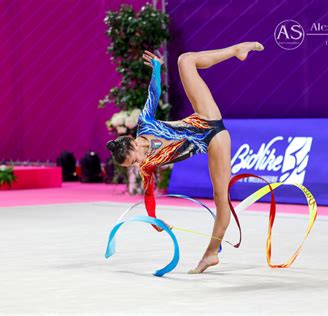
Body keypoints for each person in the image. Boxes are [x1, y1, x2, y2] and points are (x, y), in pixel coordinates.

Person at [106, 42, 264, 273]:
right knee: (221, 198)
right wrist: (154, 220)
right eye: (131, 165)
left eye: (134, 159)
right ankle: (211, 253)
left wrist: (157, 68)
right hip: (214, 140)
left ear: (132, 141)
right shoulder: (147, 167)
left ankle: (236, 50)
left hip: (204, 118)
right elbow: (149, 195)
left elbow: (153, 93)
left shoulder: (145, 124)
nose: (137, 164)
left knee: (185, 60)